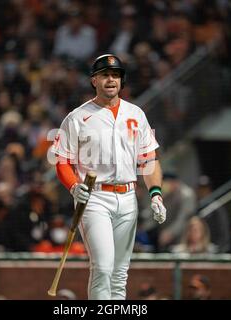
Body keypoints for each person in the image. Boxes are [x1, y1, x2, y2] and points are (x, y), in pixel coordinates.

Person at [51, 54, 166, 300]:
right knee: (103, 268)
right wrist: (73, 186)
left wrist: (156, 194)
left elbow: (149, 160)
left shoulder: (136, 114)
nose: (111, 80)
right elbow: (62, 161)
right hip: (94, 198)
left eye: (115, 75)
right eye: (105, 75)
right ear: (94, 80)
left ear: (122, 81)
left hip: (128, 197)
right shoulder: (78, 117)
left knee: (119, 274)